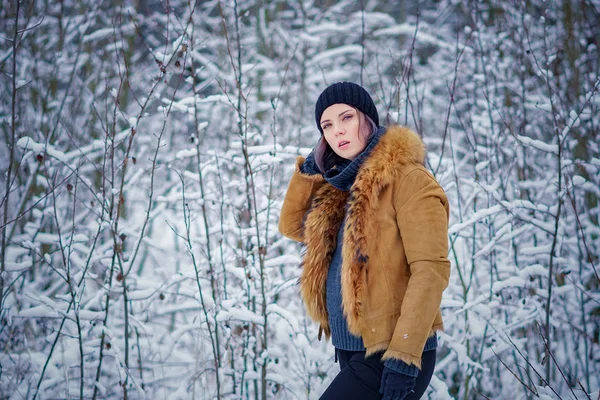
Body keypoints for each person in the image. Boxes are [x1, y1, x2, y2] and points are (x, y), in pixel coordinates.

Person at [278, 82, 451, 399]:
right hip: (350, 348)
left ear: (368, 120)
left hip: (393, 353)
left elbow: (430, 270)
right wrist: (310, 171)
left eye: (346, 118)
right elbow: (292, 226)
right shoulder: (340, 185)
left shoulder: (409, 179)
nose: (337, 131)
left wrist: (403, 356)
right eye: (327, 125)